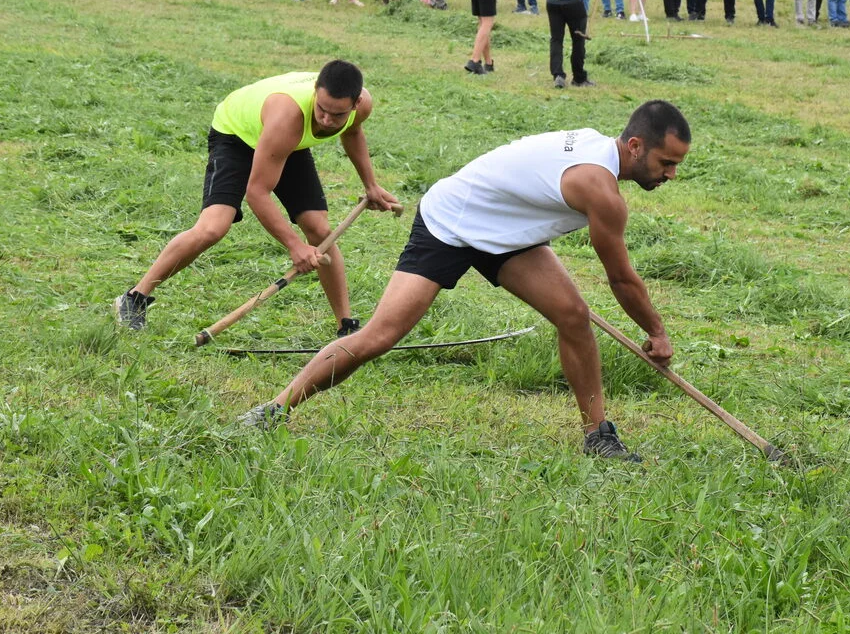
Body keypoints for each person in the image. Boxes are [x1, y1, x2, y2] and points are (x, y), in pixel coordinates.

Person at [239, 100, 693, 464]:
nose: (671, 174)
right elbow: (621, 279)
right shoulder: (599, 188)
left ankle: (597, 435)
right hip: (450, 222)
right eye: (666, 162)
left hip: (504, 233)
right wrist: (656, 331)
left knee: (573, 316)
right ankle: (273, 410)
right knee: (379, 336)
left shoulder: (601, 151)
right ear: (635, 145)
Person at [114, 60, 400, 335]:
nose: (326, 120)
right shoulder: (288, 117)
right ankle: (135, 297)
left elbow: (352, 132)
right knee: (213, 228)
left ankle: (346, 326)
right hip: (237, 135)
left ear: (355, 104)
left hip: (285, 143)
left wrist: (371, 185)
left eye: (337, 115)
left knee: (320, 230)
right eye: (322, 109)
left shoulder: (361, 107)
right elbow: (257, 193)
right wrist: (294, 246)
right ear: (315, 91)